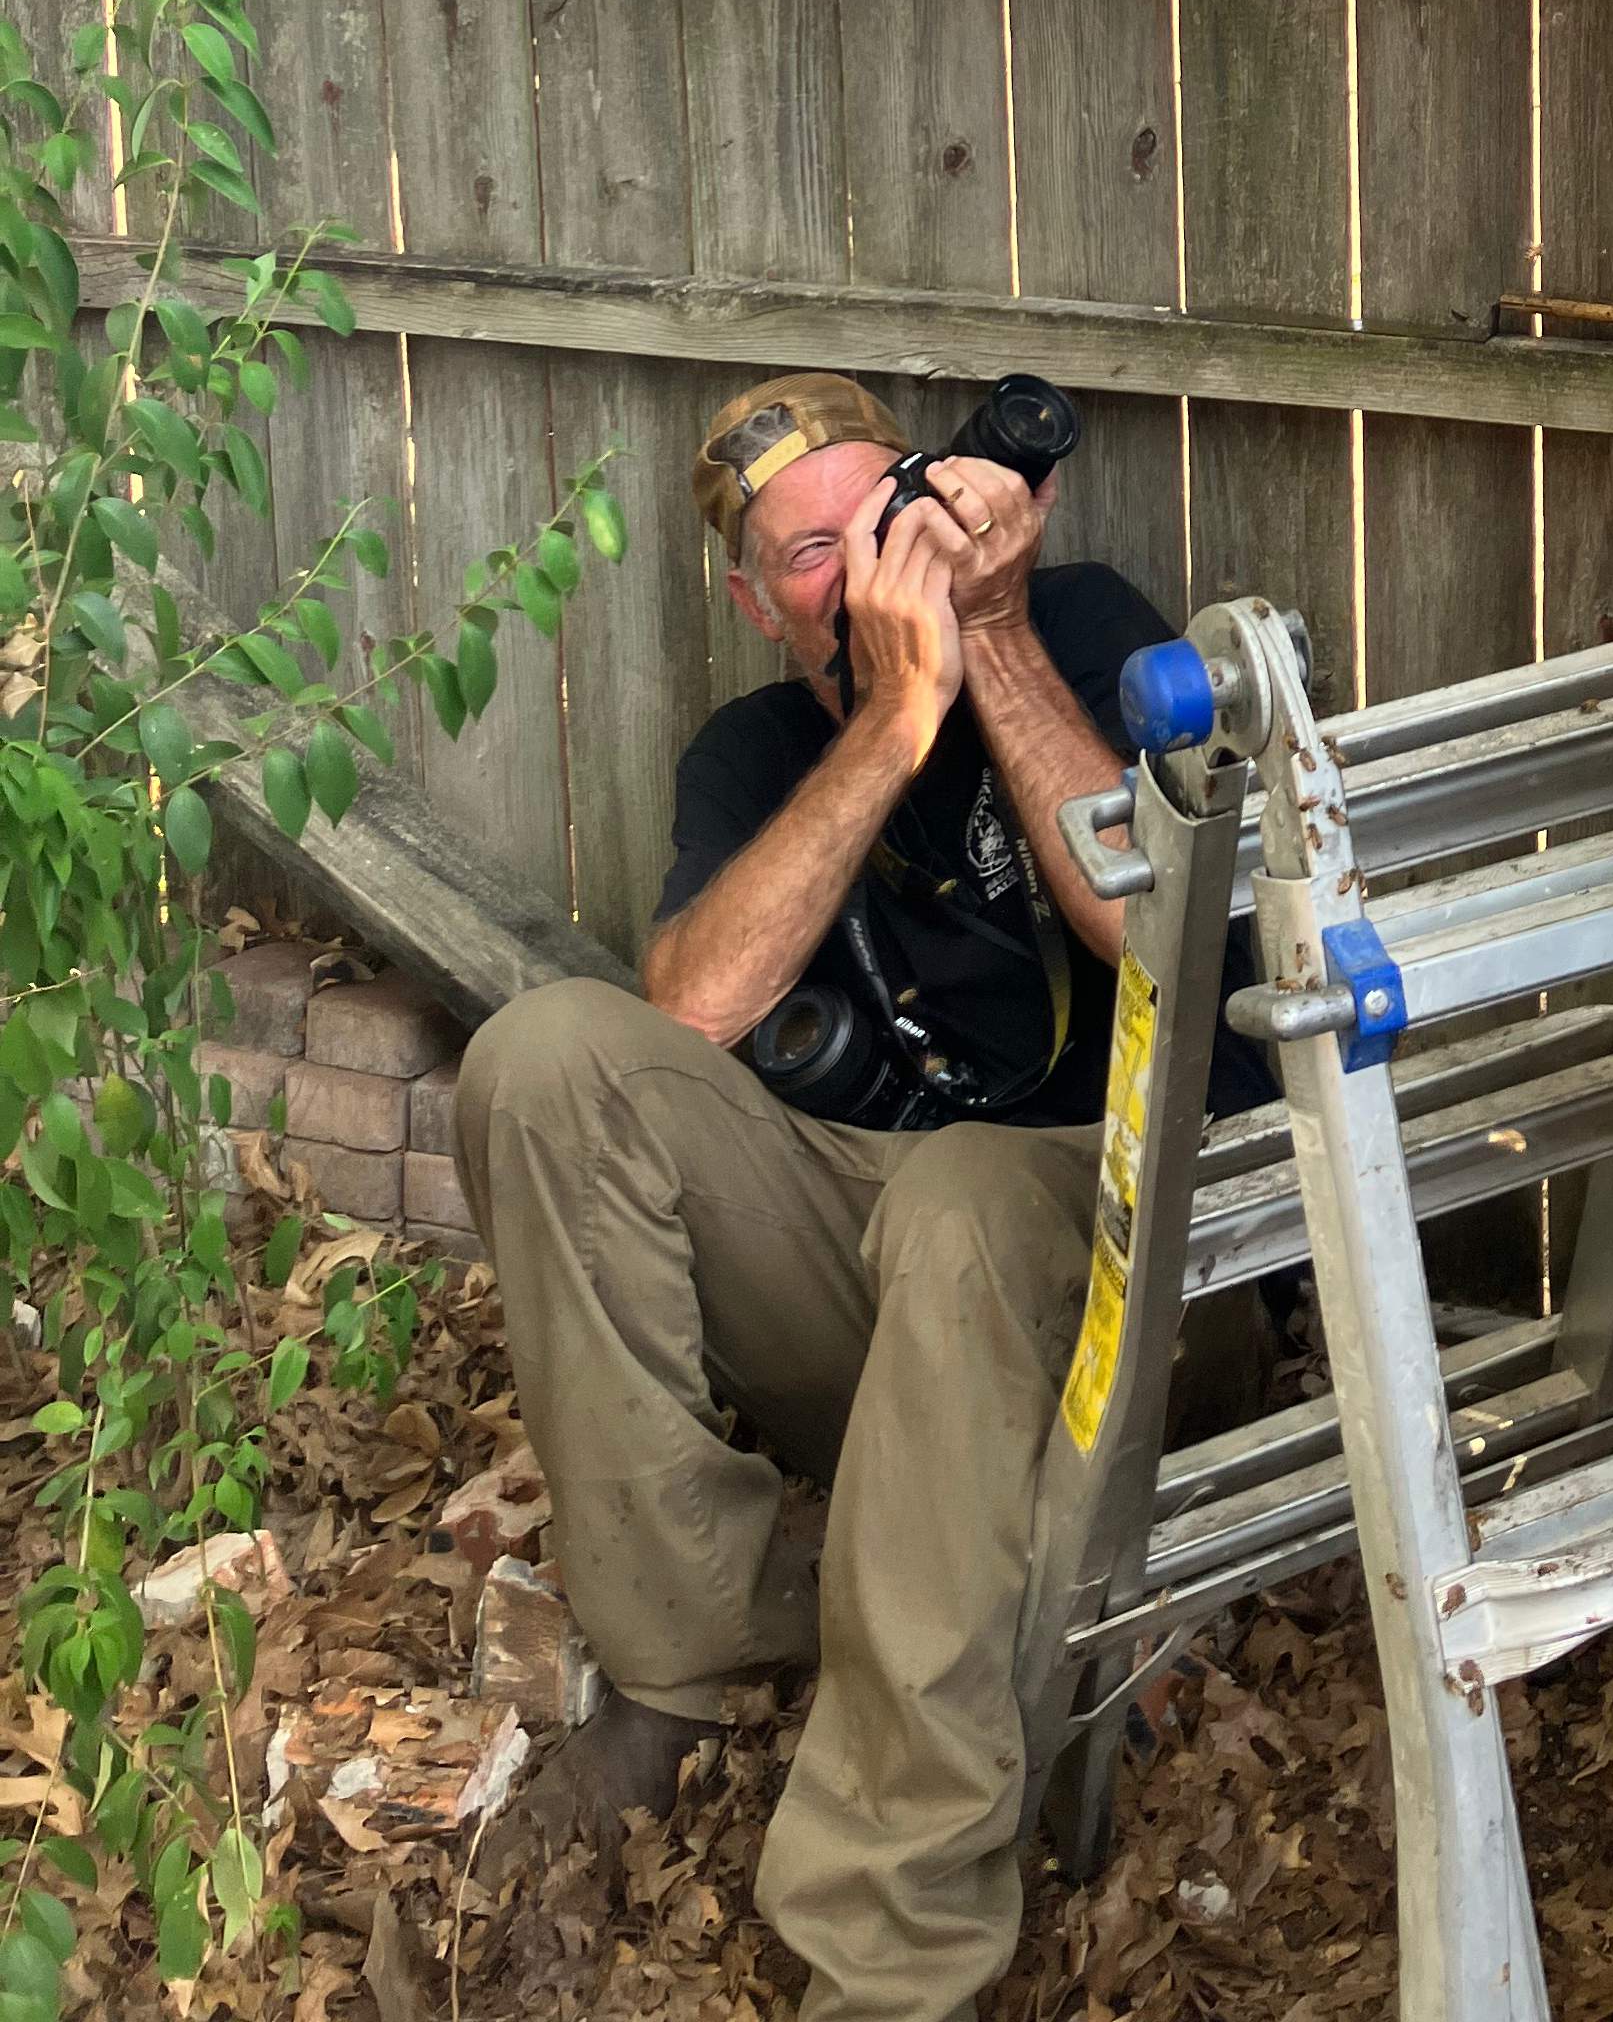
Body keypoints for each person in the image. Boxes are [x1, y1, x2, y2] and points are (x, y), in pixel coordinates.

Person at [456, 371, 1197, 2022]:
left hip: (1128, 1243)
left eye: (889, 512)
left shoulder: (1080, 627)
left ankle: (892, 1945)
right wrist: (893, 719)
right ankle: (696, 1651)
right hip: (876, 1259)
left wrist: (990, 643)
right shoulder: (758, 749)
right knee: (544, 1058)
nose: (873, 564)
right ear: (754, 602)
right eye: (815, 554)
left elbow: (1155, 935)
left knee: (953, 1203)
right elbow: (697, 1012)